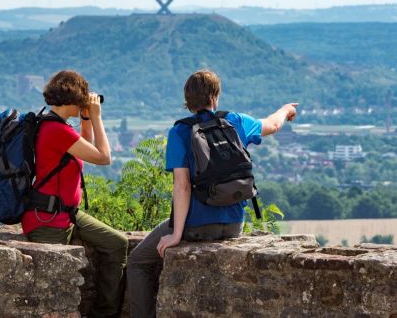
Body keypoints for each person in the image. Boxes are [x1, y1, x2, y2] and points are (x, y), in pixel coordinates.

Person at [127, 69, 298, 317]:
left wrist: (176, 234)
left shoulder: (180, 133)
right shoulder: (235, 122)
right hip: (233, 225)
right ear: (215, 97)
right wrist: (285, 109)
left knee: (137, 261)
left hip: (196, 227)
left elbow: (182, 186)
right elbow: (272, 124)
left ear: (187, 101)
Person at [21, 70, 128, 318]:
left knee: (116, 243)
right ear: (73, 98)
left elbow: (82, 150)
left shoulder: (53, 124)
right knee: (55, 291)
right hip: (48, 220)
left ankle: (105, 313)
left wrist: (86, 120)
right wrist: (98, 118)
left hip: (66, 215)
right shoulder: (56, 131)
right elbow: (103, 157)